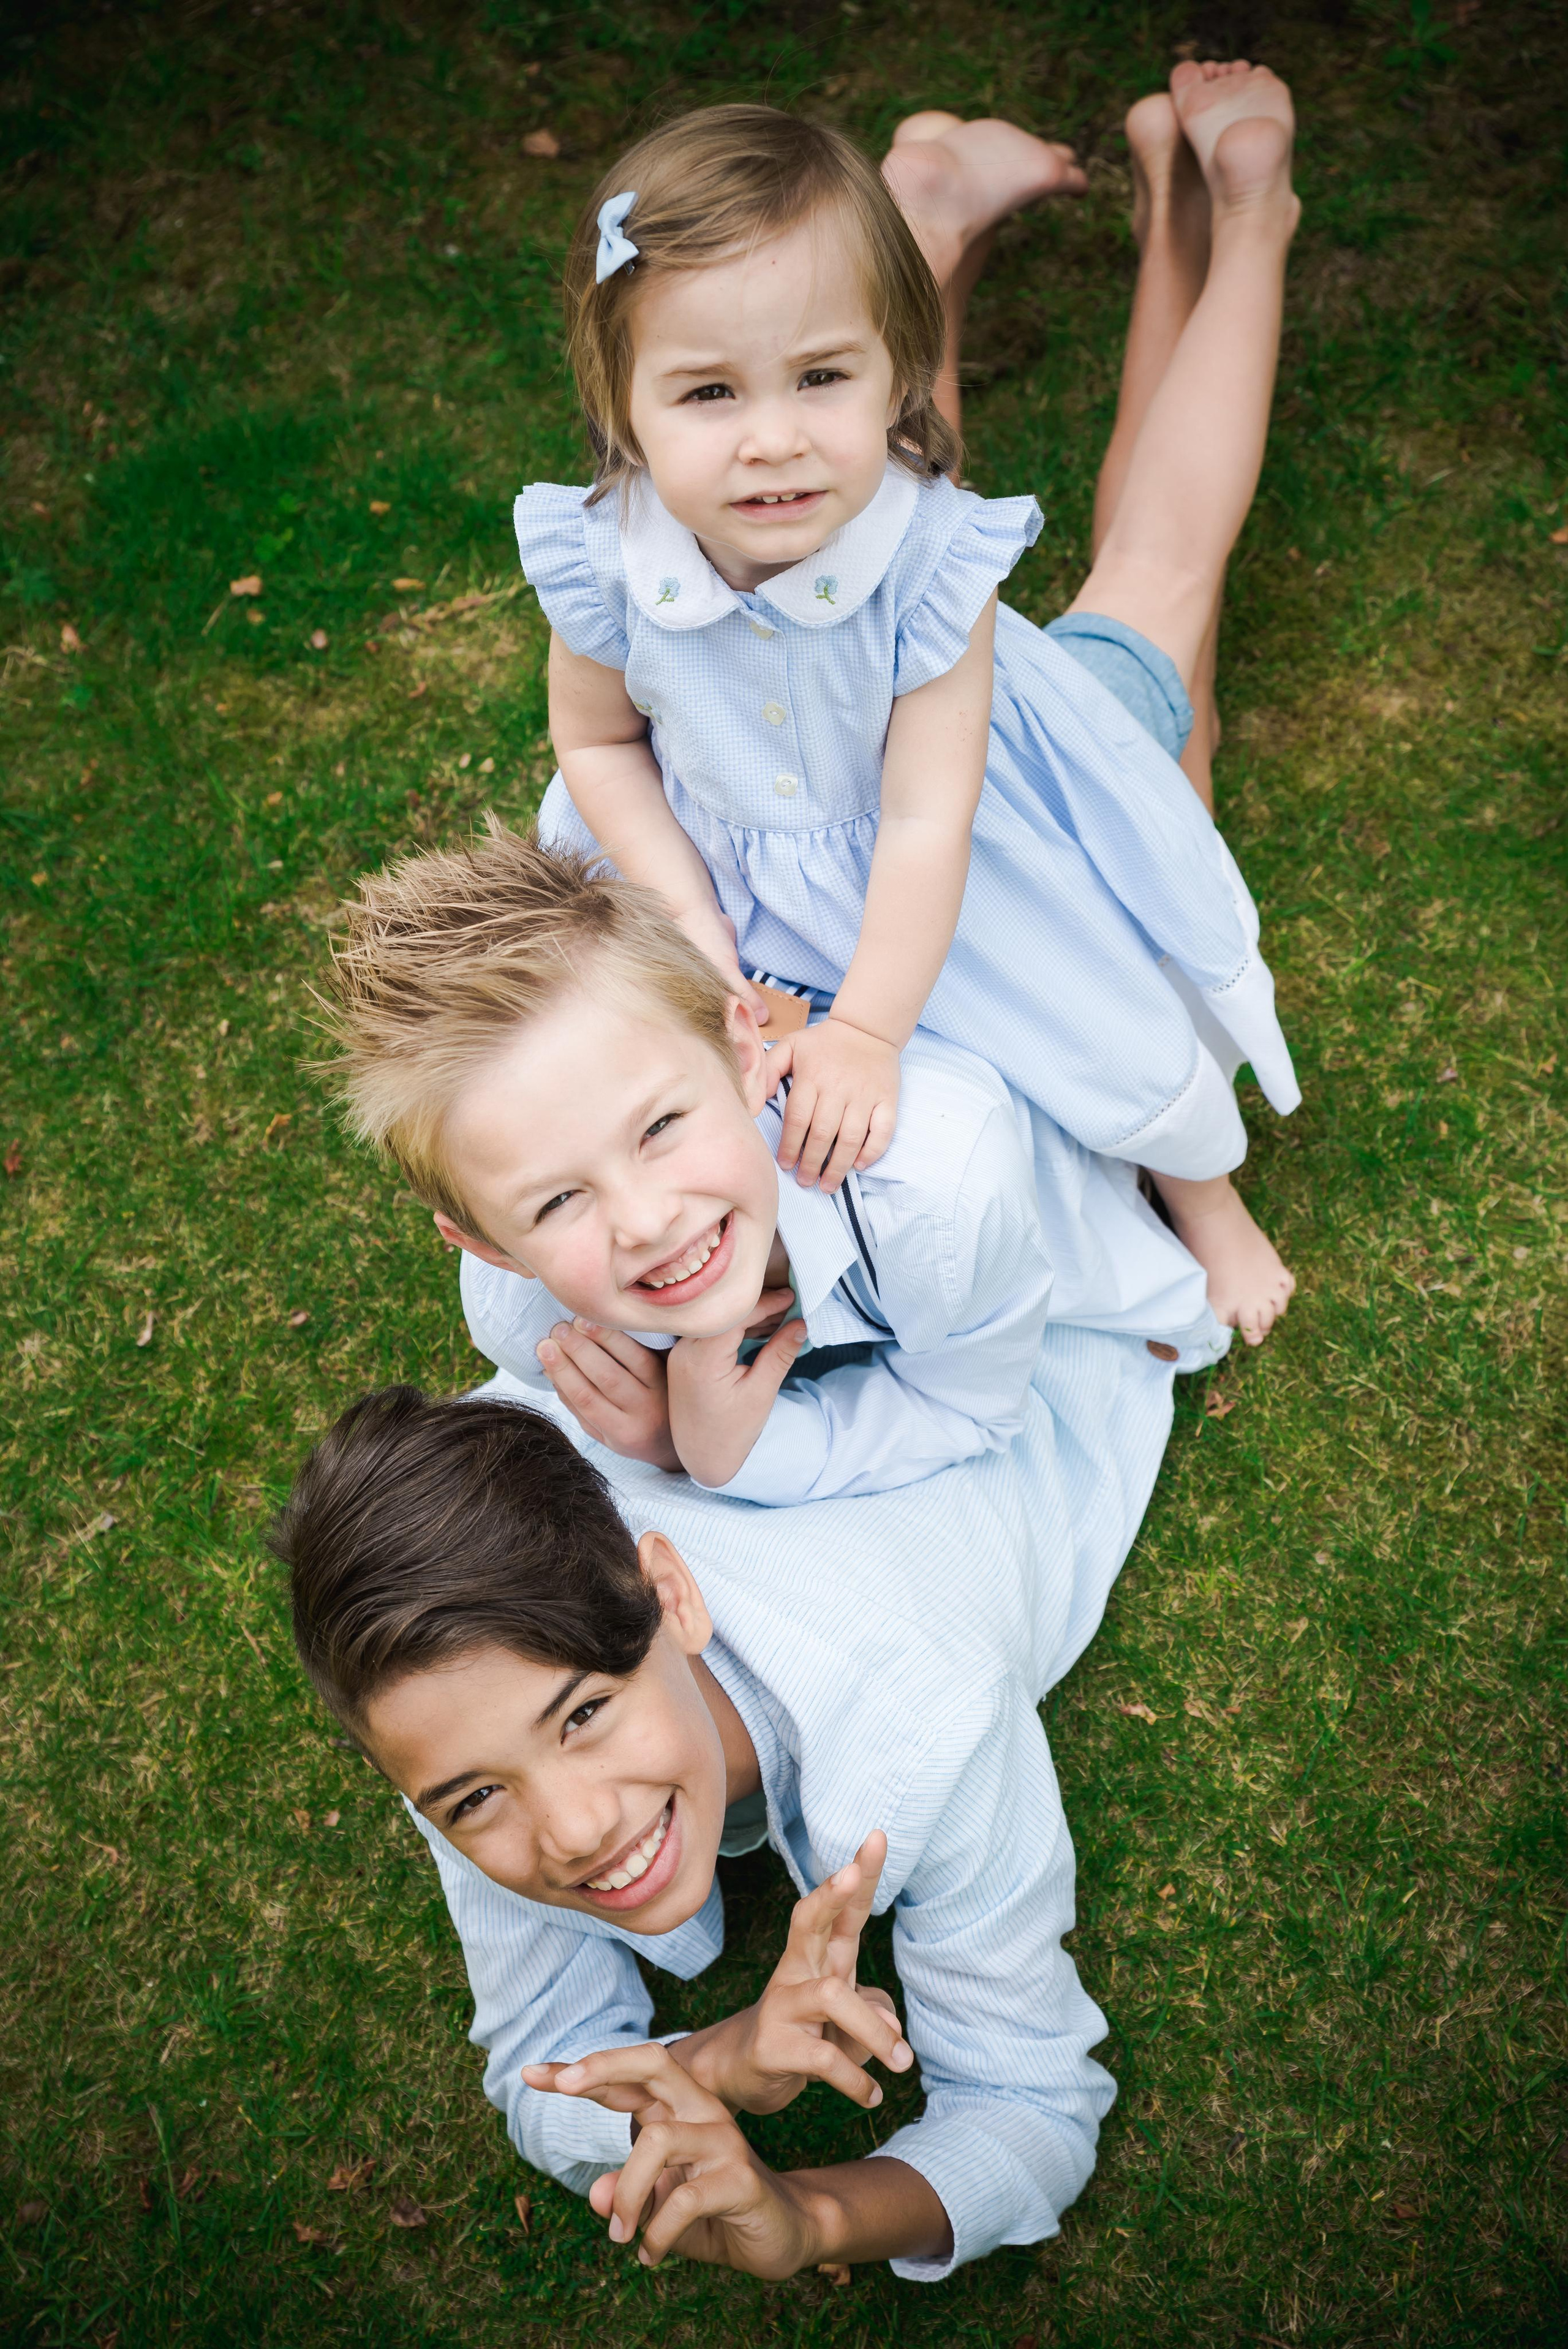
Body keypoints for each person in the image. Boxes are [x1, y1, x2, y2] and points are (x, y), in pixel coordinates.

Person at [522, 70, 1303, 1341]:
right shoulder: (604, 556)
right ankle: (934, 210)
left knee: (1155, 580)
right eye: (708, 394)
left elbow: (928, 821)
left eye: (821, 380)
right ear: (623, 408)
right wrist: (695, 937)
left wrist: (871, 1030)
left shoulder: (928, 559)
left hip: (975, 817)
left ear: (894, 383)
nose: (768, 440)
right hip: (744, 860)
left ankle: (1201, 1192)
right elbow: (599, 740)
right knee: (842, 448)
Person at [271, 1310, 1179, 2283]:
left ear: (674, 1594)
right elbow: (541, 2063)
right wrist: (716, 2060)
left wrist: (809, 2215)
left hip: (1052, 1329)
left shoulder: (922, 1721)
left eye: (581, 1715)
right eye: (476, 1797)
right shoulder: (456, 1710)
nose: (575, 1830)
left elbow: (1033, 2102)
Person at [326, 825, 1227, 1500]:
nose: (646, 1221)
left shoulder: (940, 1193)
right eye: (559, 1199)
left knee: (1132, 753)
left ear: (747, 1054)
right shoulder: (528, 1322)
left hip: (1033, 901)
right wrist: (661, 1440)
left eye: (658, 1127)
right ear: (487, 1245)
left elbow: (969, 1405)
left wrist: (717, 1451)